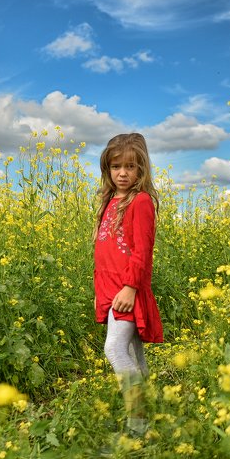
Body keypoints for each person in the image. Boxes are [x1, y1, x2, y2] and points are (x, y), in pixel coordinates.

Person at [93, 133, 163, 440]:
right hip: (112, 290)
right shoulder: (111, 201)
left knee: (114, 348)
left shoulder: (141, 201)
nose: (123, 173)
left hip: (127, 291)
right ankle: (149, 408)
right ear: (107, 169)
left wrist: (131, 288)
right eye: (116, 166)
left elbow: (141, 251)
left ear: (142, 169)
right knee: (134, 354)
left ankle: (138, 422)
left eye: (131, 167)